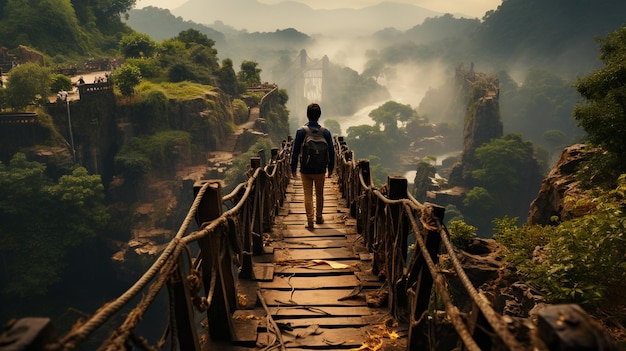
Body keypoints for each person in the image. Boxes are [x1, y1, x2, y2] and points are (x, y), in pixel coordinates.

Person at [291, 103, 335, 229]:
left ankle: (310, 221)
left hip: (305, 169)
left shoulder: (300, 132)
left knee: (307, 194)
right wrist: (331, 168)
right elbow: (332, 152)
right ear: (319, 115)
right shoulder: (325, 132)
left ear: (307, 115)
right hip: (321, 169)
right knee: (320, 194)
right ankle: (319, 217)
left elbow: (295, 151)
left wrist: (293, 168)